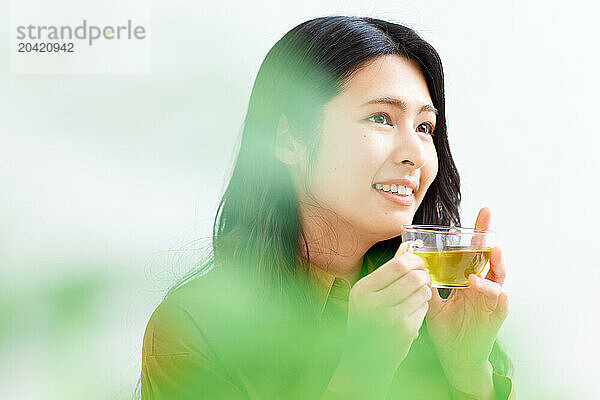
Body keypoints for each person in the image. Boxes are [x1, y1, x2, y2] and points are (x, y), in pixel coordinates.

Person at [139, 15, 515, 399]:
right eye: (381, 118)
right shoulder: (195, 325)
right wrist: (364, 368)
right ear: (287, 138)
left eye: (425, 127)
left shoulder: (441, 312)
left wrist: (469, 372)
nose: (416, 154)